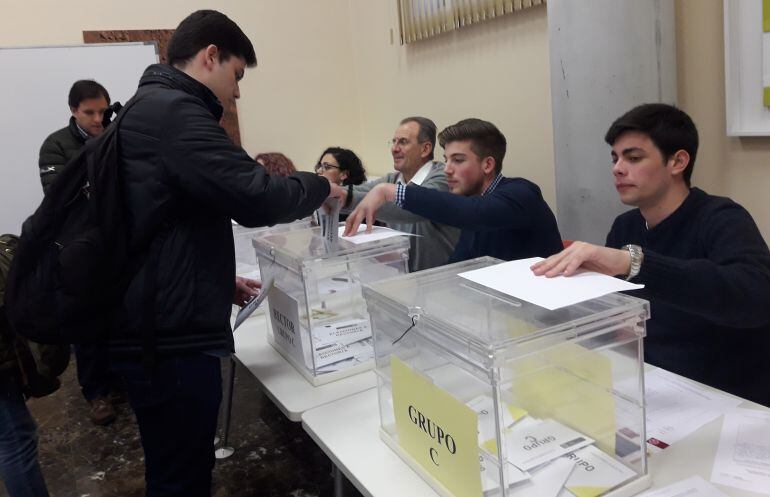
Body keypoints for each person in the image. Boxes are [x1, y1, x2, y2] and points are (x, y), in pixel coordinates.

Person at [107, 10, 340, 496]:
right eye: (236, 75)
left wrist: (212, 279)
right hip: (169, 343)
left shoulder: (144, 109)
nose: (237, 92)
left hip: (154, 325)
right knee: (182, 477)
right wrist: (321, 184)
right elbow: (257, 198)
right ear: (211, 56)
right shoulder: (173, 113)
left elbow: (165, 223)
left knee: (173, 467)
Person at [531, 103, 770, 407]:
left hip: (726, 395)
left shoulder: (722, 218)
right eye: (615, 158)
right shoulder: (625, 226)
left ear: (677, 161)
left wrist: (632, 263)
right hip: (649, 384)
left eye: (633, 157)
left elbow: (755, 296)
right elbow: (618, 317)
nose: (617, 168)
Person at [344, 118, 562, 263]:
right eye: (446, 159)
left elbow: (478, 213)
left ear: (487, 165)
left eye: (458, 160)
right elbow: (457, 269)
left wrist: (390, 191)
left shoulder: (521, 194)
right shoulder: (470, 205)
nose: (447, 169)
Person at [37, 79, 120, 426]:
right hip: (77, 250)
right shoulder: (55, 145)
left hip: (117, 243)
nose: (98, 119)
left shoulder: (117, 134)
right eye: (90, 113)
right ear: (73, 110)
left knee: (120, 318)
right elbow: (59, 196)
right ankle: (96, 393)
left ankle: (123, 380)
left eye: (103, 111)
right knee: (86, 326)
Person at [340, 117, 459, 272]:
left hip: (441, 283)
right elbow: (360, 192)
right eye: (394, 142)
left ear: (425, 149)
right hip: (405, 281)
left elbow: (412, 208)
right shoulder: (393, 179)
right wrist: (334, 192)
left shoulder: (443, 178)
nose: (394, 149)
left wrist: (348, 197)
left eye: (403, 142)